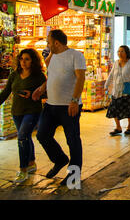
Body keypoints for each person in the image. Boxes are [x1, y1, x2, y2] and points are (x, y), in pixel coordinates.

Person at [32, 29, 86, 186]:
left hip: (69, 106)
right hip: (51, 105)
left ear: (56, 43)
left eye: (49, 42)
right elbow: (52, 76)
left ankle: (74, 175)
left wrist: (74, 100)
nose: (47, 44)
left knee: (73, 140)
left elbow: (80, 78)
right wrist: (42, 88)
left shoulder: (76, 55)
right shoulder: (53, 56)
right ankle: (60, 159)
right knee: (42, 135)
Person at [0, 49, 46, 183]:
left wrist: (33, 94)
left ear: (33, 61)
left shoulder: (39, 76)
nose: (23, 62)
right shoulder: (14, 75)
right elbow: (6, 92)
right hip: (17, 111)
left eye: (27, 59)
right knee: (25, 137)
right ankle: (31, 162)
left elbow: (46, 93)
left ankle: (23, 169)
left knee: (21, 137)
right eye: (21, 59)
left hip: (32, 111)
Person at [105, 45, 130, 136]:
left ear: (127, 52)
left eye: (122, 51)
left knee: (129, 109)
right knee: (114, 108)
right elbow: (111, 75)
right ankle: (118, 127)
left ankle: (129, 127)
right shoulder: (116, 63)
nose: (119, 53)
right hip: (117, 90)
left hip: (129, 90)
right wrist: (106, 85)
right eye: (118, 51)